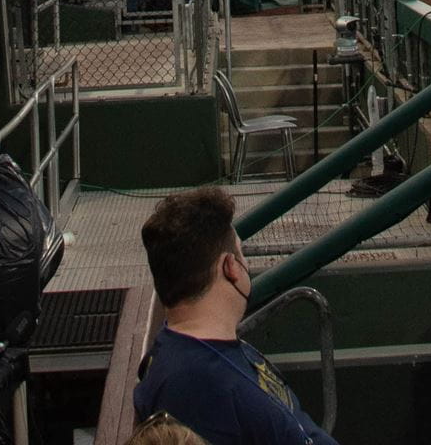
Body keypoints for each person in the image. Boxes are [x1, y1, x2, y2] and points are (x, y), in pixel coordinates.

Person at [132, 186, 336, 445]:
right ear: (230, 267)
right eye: (242, 253)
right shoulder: (194, 387)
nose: (245, 265)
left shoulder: (199, 353)